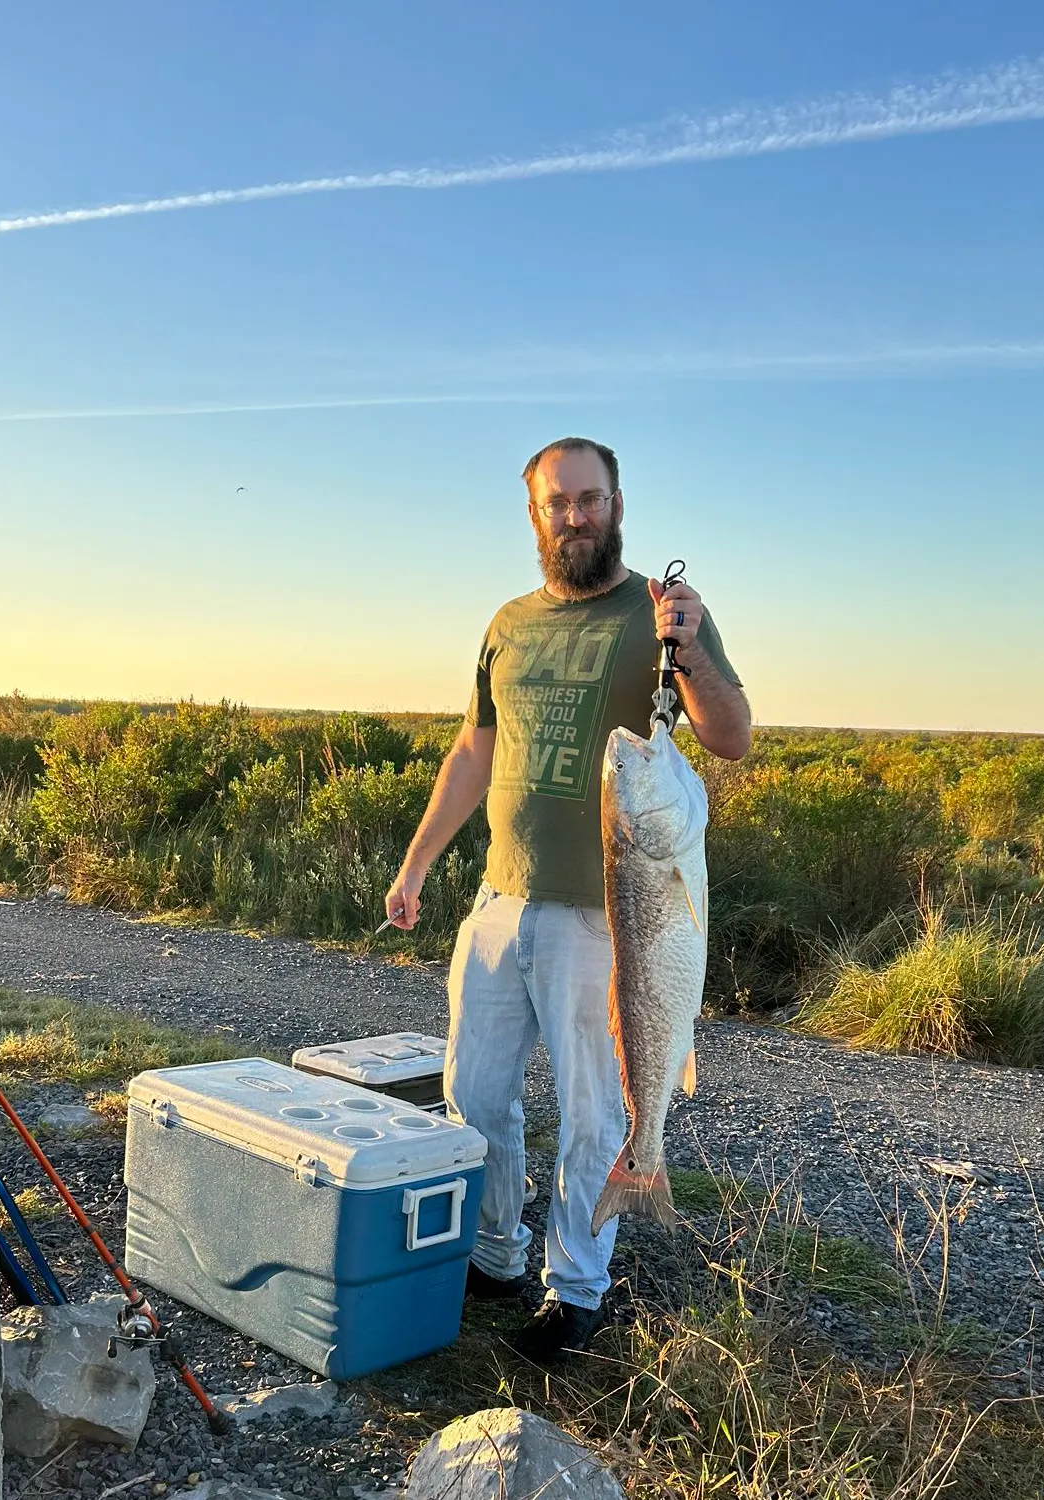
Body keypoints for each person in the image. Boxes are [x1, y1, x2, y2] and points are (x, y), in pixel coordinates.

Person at [383, 437, 751, 1364]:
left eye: (590, 499)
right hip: (500, 901)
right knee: (475, 1093)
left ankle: (574, 1286)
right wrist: (420, 863)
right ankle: (497, 1252)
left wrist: (694, 644)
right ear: (536, 513)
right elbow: (475, 750)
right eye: (559, 503)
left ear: (617, 502)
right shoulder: (508, 622)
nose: (575, 516)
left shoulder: (661, 615)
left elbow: (730, 736)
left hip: (611, 917)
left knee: (598, 1109)